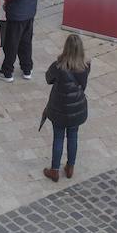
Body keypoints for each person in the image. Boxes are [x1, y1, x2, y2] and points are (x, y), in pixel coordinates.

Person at [41, 34, 90, 182]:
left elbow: (48, 78)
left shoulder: (58, 66)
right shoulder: (85, 66)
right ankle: (70, 167)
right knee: (73, 136)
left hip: (59, 109)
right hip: (76, 109)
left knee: (58, 137)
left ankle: (54, 170)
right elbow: (83, 86)